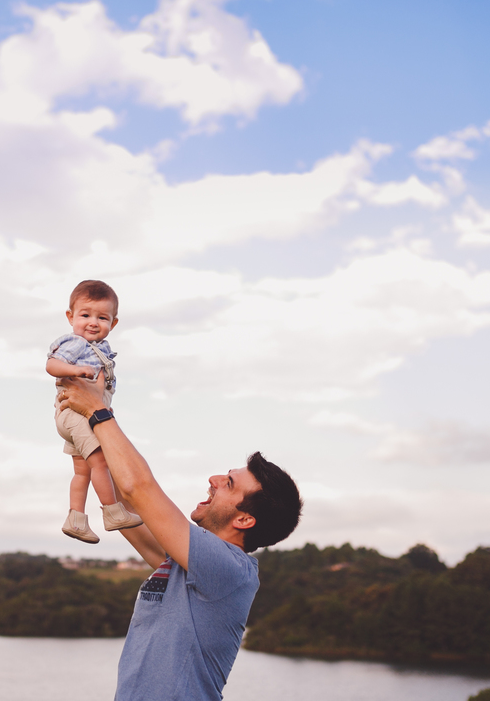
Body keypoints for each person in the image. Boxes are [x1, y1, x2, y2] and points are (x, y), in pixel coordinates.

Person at [56, 373, 303, 701]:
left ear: (244, 519)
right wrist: (86, 430)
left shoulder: (227, 568)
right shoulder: (185, 566)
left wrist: (98, 411)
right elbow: (126, 499)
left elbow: (138, 488)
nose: (214, 479)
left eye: (228, 483)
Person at [46, 280, 143, 543]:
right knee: (100, 461)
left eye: (102, 317)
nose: (93, 322)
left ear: (113, 323)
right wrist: (74, 370)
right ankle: (113, 513)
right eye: (85, 315)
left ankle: (75, 520)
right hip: (75, 414)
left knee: (83, 471)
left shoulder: (101, 349)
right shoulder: (76, 344)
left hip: (80, 416)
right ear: (70, 317)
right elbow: (52, 366)